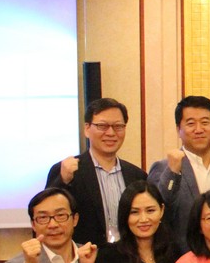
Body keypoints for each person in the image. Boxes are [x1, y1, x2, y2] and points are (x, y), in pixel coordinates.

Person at [47, 97, 147, 247]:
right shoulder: (67, 171)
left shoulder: (137, 175)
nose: (111, 133)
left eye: (118, 126)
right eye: (102, 126)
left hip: (127, 256)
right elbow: (47, 214)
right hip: (84, 255)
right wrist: (63, 181)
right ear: (87, 129)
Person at [148, 96, 210, 249]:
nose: (199, 130)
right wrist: (172, 173)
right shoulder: (163, 169)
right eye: (190, 124)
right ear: (178, 130)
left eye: (205, 122)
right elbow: (159, 213)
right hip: (182, 257)